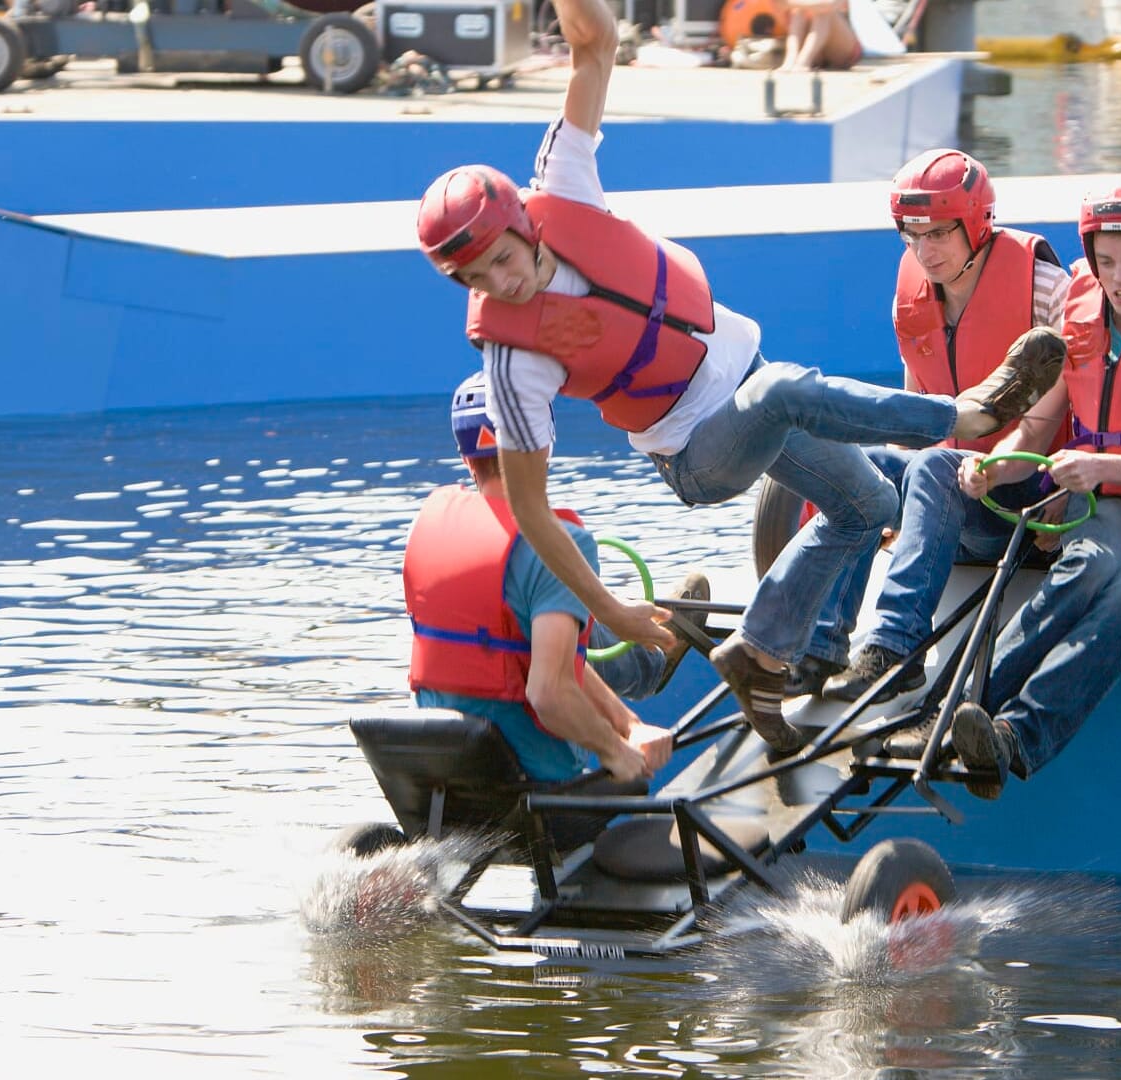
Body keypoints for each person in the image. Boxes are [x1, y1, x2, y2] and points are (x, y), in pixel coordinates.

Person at [412, 0, 1066, 755]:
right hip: (698, 451)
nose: (501, 283)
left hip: (740, 381)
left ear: (525, 226)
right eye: (474, 277)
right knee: (785, 392)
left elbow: (594, 42)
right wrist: (615, 611)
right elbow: (530, 511)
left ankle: (768, 654)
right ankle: (967, 418)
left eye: (502, 258)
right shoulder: (513, 360)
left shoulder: (564, 181)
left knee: (867, 504)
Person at [927, 176, 1121, 799]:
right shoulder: (1077, 317)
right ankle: (946, 715)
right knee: (1087, 568)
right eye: (1105, 262)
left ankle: (1014, 740)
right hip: (1111, 503)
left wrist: (1105, 469)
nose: (1119, 278)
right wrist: (993, 465)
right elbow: (1039, 426)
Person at [790, 148, 1076, 703]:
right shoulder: (913, 292)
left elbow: (1040, 430)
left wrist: (988, 472)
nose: (925, 251)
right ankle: (820, 643)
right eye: (911, 235)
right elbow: (912, 413)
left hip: (1020, 499)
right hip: (943, 485)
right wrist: (889, 502)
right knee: (862, 463)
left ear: (976, 223)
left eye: (939, 234)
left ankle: (897, 646)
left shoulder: (1047, 290)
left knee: (934, 466)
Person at [404, 373, 709, 784]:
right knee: (630, 779)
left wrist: (629, 724)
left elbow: (532, 660)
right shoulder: (558, 546)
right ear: (543, 444)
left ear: (464, 456)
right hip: (531, 777)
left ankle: (645, 668)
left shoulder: (428, 527)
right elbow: (548, 694)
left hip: (442, 767)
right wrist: (616, 751)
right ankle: (650, 665)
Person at [779, 0, 862, 72]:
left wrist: (792, 3)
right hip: (818, 55)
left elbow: (831, 5)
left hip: (842, 51)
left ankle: (804, 61)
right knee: (798, 12)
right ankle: (791, 59)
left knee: (823, 11)